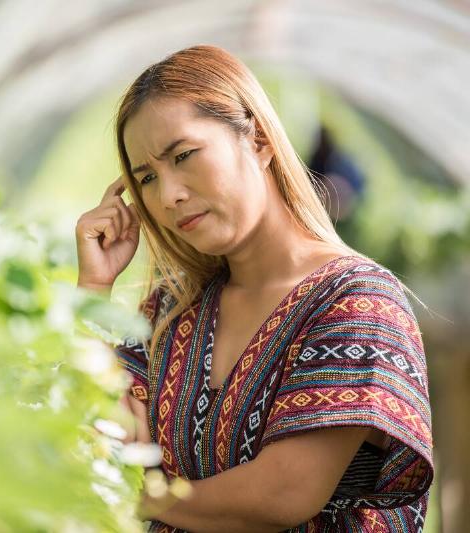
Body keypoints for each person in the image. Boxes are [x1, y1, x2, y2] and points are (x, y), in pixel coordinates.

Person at [75, 45, 432, 532]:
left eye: (183, 155)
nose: (168, 195)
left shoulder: (356, 300)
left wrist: (138, 496)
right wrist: (95, 289)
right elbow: (102, 432)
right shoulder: (171, 307)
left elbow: (281, 494)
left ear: (259, 141)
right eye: (147, 179)